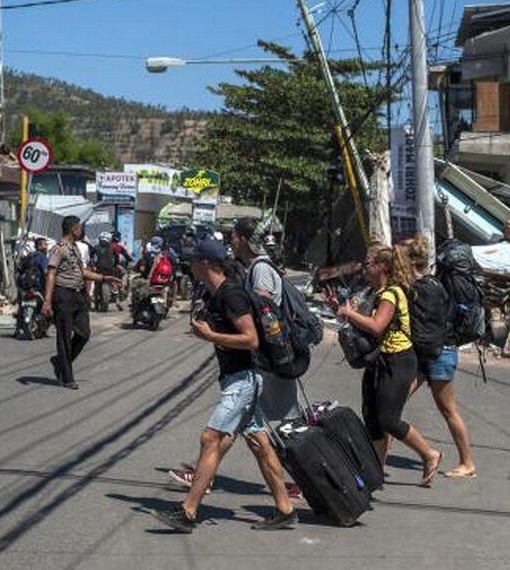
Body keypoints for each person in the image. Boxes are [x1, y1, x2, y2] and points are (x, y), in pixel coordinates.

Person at [150, 239, 296, 533]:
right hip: (238, 378)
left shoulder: (231, 295)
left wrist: (210, 336)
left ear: (206, 264)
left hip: (244, 380)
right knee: (259, 444)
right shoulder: (216, 294)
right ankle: (285, 508)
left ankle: (188, 511)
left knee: (210, 438)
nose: (190, 266)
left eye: (193, 261)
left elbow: (251, 340)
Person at [327, 244, 443, 487]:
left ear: (382, 267)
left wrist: (348, 313)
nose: (364, 268)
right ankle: (376, 470)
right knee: (371, 417)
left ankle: (429, 454)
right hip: (379, 359)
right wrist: (338, 308)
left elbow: (377, 326)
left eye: (369, 264)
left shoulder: (391, 293)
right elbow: (361, 321)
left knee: (388, 419)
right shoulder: (375, 291)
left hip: (398, 360)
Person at [406, 235, 477, 479]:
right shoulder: (442, 282)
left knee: (448, 410)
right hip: (431, 350)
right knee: (391, 407)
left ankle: (467, 463)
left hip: (441, 352)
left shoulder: (438, 284)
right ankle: (378, 459)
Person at [42, 216, 121, 390]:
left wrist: (104, 278)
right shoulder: (58, 249)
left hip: (78, 296)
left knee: (84, 334)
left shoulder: (75, 248)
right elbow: (51, 273)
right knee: (64, 338)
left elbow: (82, 272)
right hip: (63, 295)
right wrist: (47, 300)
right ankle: (67, 377)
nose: (81, 231)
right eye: (79, 228)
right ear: (73, 229)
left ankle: (60, 362)